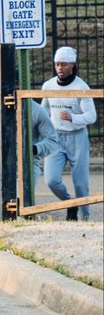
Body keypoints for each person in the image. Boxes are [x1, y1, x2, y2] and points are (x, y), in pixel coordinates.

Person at [0, 97, 58, 216]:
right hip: (2, 165)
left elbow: (52, 140)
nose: (15, 86)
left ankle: (26, 226)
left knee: (20, 206)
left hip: (27, 165)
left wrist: (35, 148)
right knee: (1, 209)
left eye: (18, 83)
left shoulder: (37, 110)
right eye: (13, 82)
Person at [40, 46, 97, 221]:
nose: (59, 68)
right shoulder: (48, 85)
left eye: (64, 64)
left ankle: (85, 219)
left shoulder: (81, 87)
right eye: (57, 64)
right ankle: (69, 203)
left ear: (72, 64)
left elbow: (91, 116)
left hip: (77, 137)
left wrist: (73, 118)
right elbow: (43, 111)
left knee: (80, 184)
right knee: (51, 180)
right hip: (55, 138)